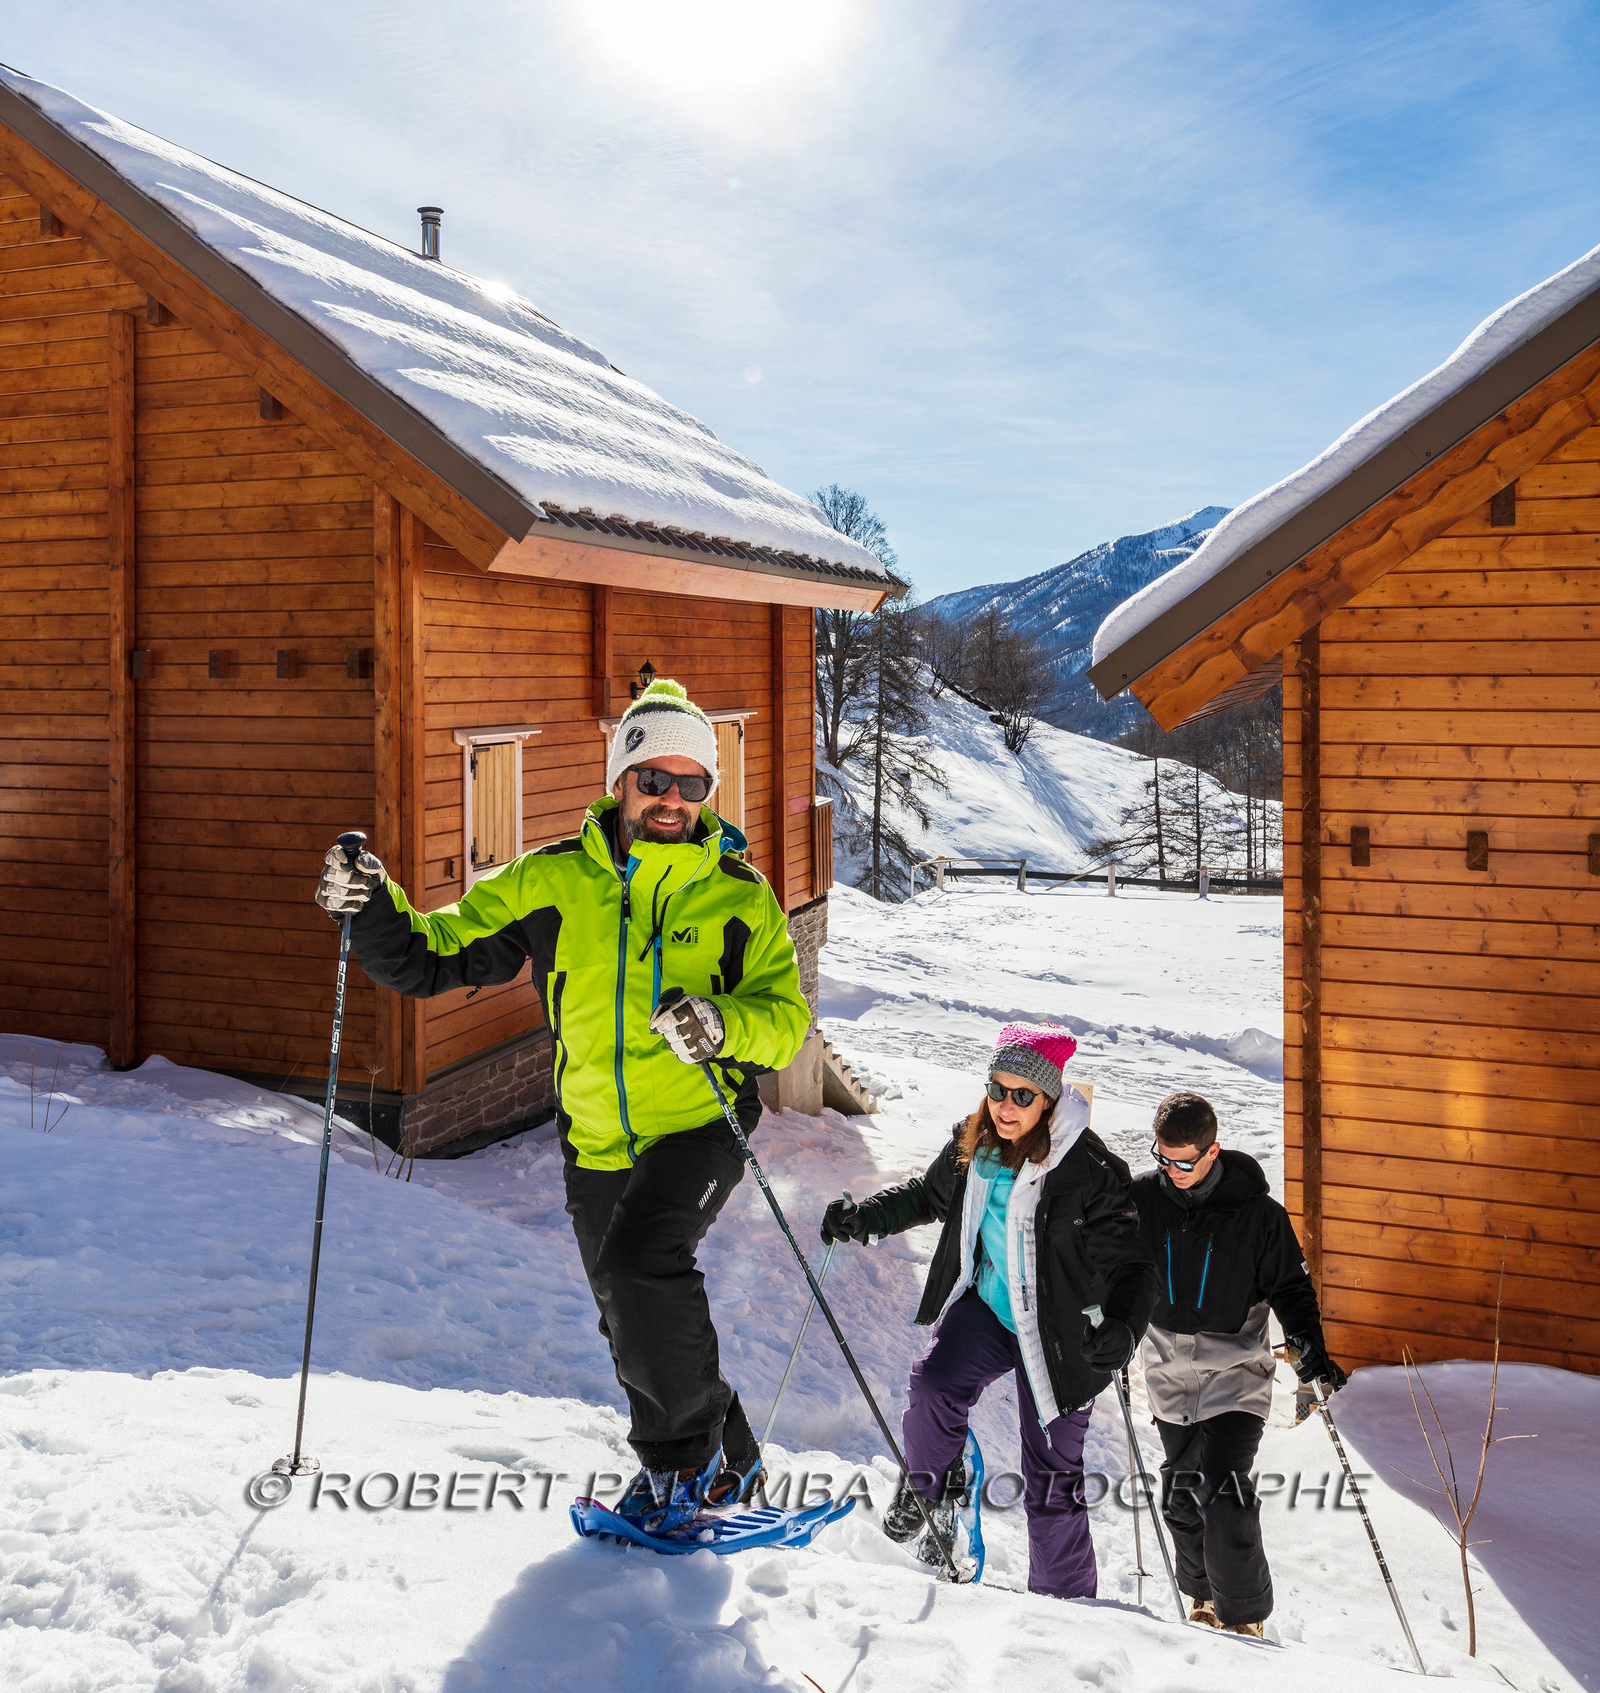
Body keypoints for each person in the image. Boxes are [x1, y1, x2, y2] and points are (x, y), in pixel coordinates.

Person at [315, 675, 811, 1534]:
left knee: (642, 1265)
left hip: (699, 1122)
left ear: (708, 793)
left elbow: (787, 1024)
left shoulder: (741, 895)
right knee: (627, 1306)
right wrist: (374, 912)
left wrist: (723, 1023)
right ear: (619, 781)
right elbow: (438, 956)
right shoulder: (553, 882)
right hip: (592, 1131)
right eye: (653, 778)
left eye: (692, 783)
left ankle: (691, 1467)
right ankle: (707, 1463)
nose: (672, 798)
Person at [820, 1024, 1156, 1598]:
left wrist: (1123, 1328)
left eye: (1022, 1095)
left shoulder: (1088, 1172)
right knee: (933, 1385)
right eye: (996, 1090)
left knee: (1050, 1480)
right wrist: (867, 1218)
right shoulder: (974, 1146)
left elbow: (1134, 1265)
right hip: (994, 1309)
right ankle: (933, 1485)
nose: (1005, 1106)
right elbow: (927, 1197)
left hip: (1060, 1334)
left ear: (1048, 1100)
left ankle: (1065, 1603)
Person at [1130, 1090, 1348, 1638]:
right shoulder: (1141, 1200)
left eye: (1183, 1160)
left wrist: (1308, 1344)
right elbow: (1110, 1266)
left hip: (1237, 1373)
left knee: (1223, 1489)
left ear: (1212, 1151)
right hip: (1167, 1372)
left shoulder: (1258, 1216)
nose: (1172, 1170)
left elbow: (1291, 1288)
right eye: (1162, 1158)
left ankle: (1244, 1617)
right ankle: (1203, 1597)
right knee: (1181, 1496)